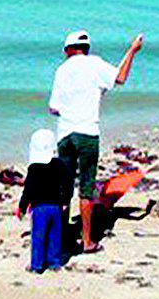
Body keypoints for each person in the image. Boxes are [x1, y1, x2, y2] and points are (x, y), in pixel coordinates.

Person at [49, 30, 144, 252]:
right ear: (86, 48)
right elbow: (120, 78)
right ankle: (88, 241)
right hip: (87, 133)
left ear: (69, 49)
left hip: (64, 135)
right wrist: (132, 51)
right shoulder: (94, 64)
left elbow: (53, 108)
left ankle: (63, 239)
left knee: (65, 189)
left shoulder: (61, 71)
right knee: (86, 188)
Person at [18, 128, 71, 273]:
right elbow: (68, 183)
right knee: (55, 235)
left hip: (39, 208)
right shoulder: (59, 165)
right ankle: (54, 263)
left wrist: (22, 207)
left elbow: (28, 190)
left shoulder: (34, 168)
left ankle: (36, 265)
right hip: (56, 207)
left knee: (38, 237)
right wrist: (66, 200)